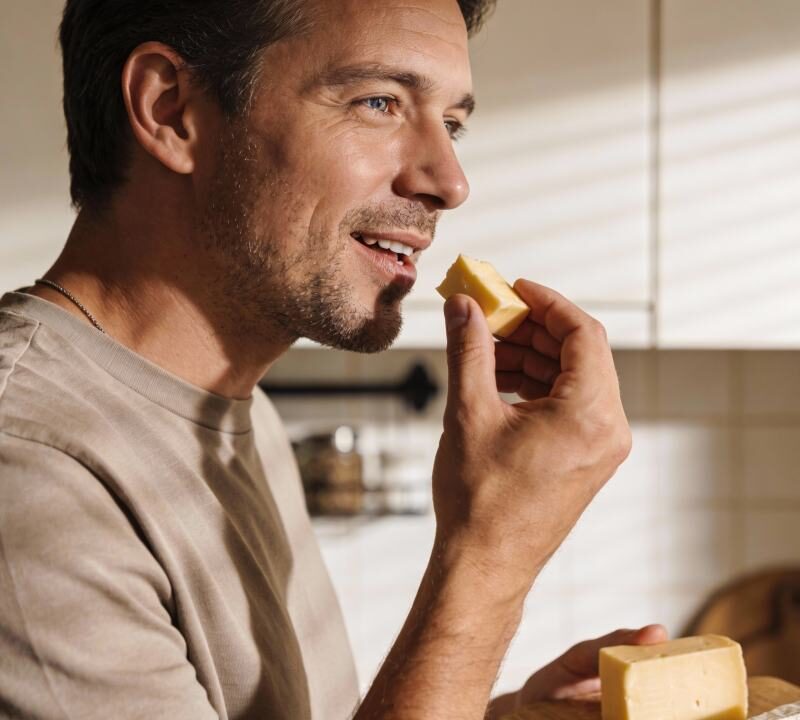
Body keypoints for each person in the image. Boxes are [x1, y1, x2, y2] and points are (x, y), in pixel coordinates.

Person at [0, 0, 667, 718]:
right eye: (380, 103)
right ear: (171, 109)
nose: (449, 181)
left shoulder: (232, 408)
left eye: (451, 124)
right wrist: (489, 560)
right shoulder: (29, 466)